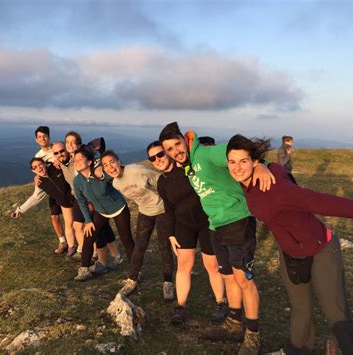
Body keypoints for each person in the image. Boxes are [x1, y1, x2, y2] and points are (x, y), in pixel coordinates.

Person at [226, 134, 353, 355]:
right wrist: (265, 165)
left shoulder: (275, 188)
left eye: (243, 161)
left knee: (336, 312)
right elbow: (278, 167)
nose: (237, 168)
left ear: (253, 161)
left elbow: (322, 202)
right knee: (300, 309)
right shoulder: (251, 182)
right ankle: (298, 350)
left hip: (321, 249)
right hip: (290, 253)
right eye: (232, 162)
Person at [159, 122, 274, 354]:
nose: (175, 152)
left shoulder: (206, 154)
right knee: (228, 277)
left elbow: (239, 153)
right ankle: (233, 324)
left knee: (244, 281)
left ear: (186, 140)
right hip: (216, 226)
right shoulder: (189, 166)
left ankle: (252, 336)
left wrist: (260, 165)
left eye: (177, 145)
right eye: (169, 150)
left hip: (238, 221)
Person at [146, 140, 227, 325]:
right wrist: (171, 234)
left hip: (207, 222)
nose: (157, 159)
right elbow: (169, 208)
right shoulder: (162, 183)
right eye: (152, 158)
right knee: (183, 265)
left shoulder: (188, 168)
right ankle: (180, 306)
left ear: (168, 153)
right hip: (183, 226)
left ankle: (221, 303)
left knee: (212, 265)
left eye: (160, 154)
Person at [100, 150, 175, 300]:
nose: (110, 167)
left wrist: (170, 204)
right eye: (105, 165)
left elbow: (161, 180)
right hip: (145, 212)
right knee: (139, 246)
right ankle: (132, 279)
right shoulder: (116, 183)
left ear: (119, 161)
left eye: (112, 162)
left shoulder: (136, 170)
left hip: (162, 211)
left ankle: (168, 283)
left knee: (164, 247)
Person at [72, 147, 135, 281]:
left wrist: (101, 173)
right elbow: (81, 202)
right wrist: (88, 221)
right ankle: (84, 270)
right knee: (89, 235)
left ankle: (135, 272)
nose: (76, 162)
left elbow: (113, 174)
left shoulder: (99, 172)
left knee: (126, 239)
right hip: (100, 211)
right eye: (74, 160)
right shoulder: (77, 181)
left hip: (118, 207)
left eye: (80, 159)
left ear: (89, 162)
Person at [60, 132, 118, 261]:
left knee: (97, 227)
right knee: (79, 225)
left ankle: (97, 254)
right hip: (81, 197)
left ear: (79, 143)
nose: (69, 144)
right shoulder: (69, 159)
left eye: (72, 142)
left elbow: (98, 163)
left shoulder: (89, 156)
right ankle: (87, 251)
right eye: (67, 142)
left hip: (94, 197)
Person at [11, 126, 66, 254]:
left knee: (72, 218)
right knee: (54, 217)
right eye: (39, 137)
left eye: (45, 136)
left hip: (65, 184)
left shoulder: (57, 149)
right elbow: (38, 171)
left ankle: (77, 244)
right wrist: (37, 178)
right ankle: (63, 242)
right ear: (36, 140)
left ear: (49, 137)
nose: (42, 139)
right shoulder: (38, 156)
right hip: (53, 188)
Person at [10, 153, 76, 253]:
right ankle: (72, 247)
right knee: (70, 224)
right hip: (65, 204)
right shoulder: (40, 182)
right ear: (33, 171)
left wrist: (59, 161)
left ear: (45, 164)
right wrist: (20, 210)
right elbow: (35, 198)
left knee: (80, 224)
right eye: (35, 167)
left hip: (76, 197)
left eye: (40, 164)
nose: (39, 168)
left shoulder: (56, 168)